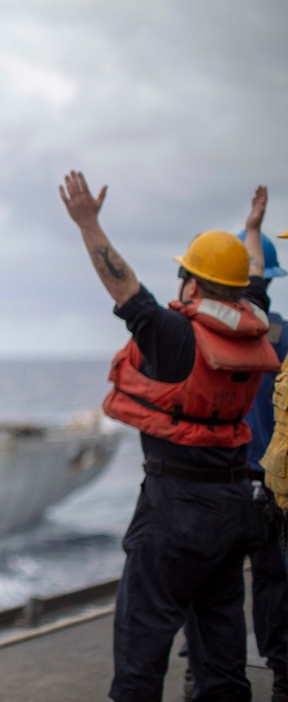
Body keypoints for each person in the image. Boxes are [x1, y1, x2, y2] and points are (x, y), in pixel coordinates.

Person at [58, 171, 280, 702]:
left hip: (173, 513)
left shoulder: (177, 339)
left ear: (193, 285)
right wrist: (253, 230)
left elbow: (124, 289)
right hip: (231, 509)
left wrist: (88, 224)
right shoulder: (258, 329)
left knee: (141, 654)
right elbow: (250, 279)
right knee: (222, 660)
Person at [183, 227, 288, 702]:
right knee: (272, 580)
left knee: (209, 585)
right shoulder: (275, 334)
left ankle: (197, 674)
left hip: (220, 479)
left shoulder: (191, 331)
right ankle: (283, 673)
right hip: (271, 483)